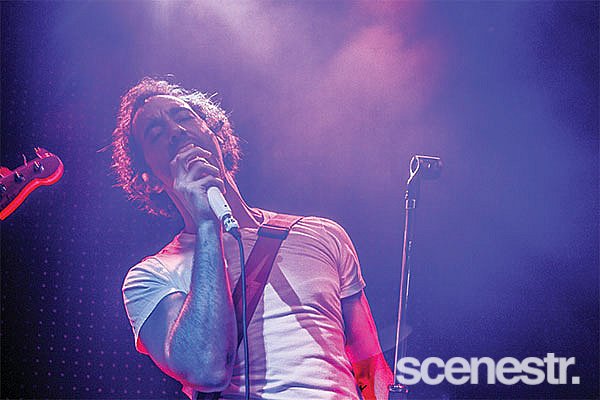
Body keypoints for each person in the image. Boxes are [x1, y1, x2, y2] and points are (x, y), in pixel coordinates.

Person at [113, 77, 393, 399]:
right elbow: (206, 369)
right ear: (148, 180)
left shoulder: (322, 234)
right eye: (156, 133)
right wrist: (206, 224)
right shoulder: (150, 276)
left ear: (214, 134)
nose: (176, 131)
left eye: (184, 117)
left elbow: (370, 366)